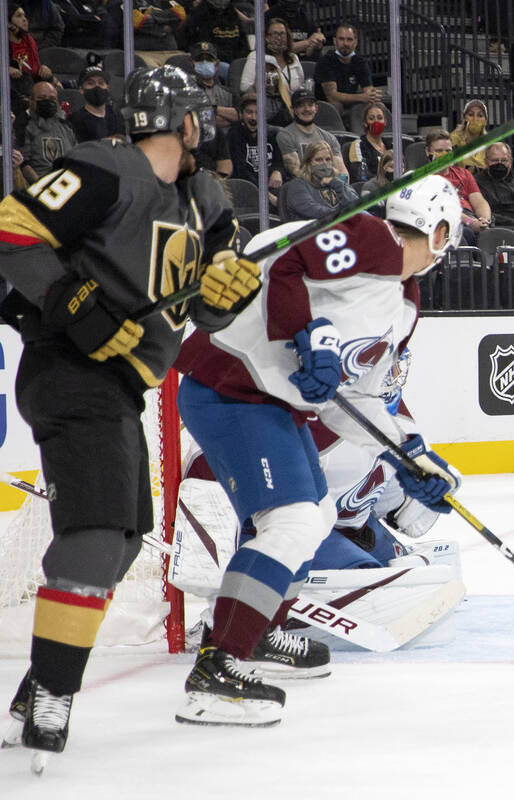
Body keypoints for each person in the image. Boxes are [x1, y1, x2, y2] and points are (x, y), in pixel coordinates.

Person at [0, 65, 260, 761]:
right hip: (68, 370)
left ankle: (35, 688)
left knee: (120, 541)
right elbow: (13, 228)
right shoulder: (105, 170)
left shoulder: (206, 202)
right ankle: (52, 700)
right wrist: (74, 305)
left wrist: (229, 294)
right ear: (189, 122)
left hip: (119, 387)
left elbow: (206, 308)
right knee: (95, 531)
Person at [171, 175, 463, 726]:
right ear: (441, 231)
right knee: (293, 522)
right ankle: (218, 666)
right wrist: (305, 331)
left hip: (270, 404)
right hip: (231, 384)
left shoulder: (403, 306)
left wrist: (411, 455)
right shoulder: (372, 239)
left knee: (316, 514)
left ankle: (259, 634)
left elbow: (351, 402)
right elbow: (285, 256)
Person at [424, 129, 491, 246]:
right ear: (428, 152)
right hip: (446, 223)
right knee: (466, 233)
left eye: (448, 151)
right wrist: (470, 222)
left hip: (472, 219)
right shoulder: (423, 178)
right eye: (439, 151)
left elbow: (479, 202)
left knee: (512, 234)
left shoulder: (464, 174)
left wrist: (484, 220)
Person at [277, 86, 348, 181]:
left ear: (316, 108)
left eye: (310, 105)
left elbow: (341, 171)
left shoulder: (329, 137)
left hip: (330, 187)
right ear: (292, 109)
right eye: (301, 105)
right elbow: (296, 171)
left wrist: (342, 188)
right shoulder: (285, 135)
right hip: (302, 188)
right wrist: (322, 184)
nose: (306, 109)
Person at [313, 22, 379, 124]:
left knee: (377, 107)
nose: (345, 43)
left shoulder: (360, 62)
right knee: (336, 105)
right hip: (326, 106)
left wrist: (372, 95)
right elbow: (332, 96)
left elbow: (369, 91)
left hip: (352, 105)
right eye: (341, 39)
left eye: (349, 39)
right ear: (335, 41)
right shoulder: (325, 61)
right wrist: (362, 97)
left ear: (356, 42)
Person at [226, 94, 284, 207]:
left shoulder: (272, 133)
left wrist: (277, 171)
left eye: (258, 113)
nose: (254, 117)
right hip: (248, 190)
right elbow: (240, 171)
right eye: (249, 112)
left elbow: (279, 161)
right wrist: (265, 194)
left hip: (273, 187)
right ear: (241, 114)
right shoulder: (234, 135)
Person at [281, 140, 358, 221]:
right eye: (319, 160)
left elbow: (356, 205)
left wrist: (336, 183)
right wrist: (341, 215)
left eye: (328, 159)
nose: (324, 163)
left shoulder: (338, 181)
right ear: (308, 162)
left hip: (342, 226)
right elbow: (312, 210)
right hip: (313, 230)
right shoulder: (297, 185)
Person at [20, 81, 76, 181]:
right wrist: (40, 186)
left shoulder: (67, 127)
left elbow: (77, 159)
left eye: (52, 99)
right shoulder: (23, 126)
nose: (48, 102)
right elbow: (23, 163)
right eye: (41, 98)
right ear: (31, 101)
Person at [178, 0, 249, 79]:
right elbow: (199, 45)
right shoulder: (200, 14)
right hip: (210, 61)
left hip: (234, 61)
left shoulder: (232, 13)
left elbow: (243, 44)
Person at [239, 18, 305, 102]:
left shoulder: (293, 57)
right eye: (275, 34)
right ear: (267, 37)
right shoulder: (256, 56)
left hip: (292, 105)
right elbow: (244, 88)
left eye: (282, 34)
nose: (279, 37)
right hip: (265, 103)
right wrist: (258, 84)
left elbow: (301, 85)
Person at [66, 66, 123, 143]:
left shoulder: (117, 116)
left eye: (101, 83)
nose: (97, 87)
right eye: (91, 83)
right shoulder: (74, 121)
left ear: (107, 88)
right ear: (81, 89)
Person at [190, 41, 237, 129]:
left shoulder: (228, 92)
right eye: (200, 59)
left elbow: (239, 116)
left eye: (209, 59)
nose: (204, 62)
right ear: (192, 63)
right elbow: (200, 120)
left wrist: (214, 109)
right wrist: (226, 116)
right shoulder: (186, 91)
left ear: (217, 64)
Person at [346, 101, 389, 184]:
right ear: (365, 123)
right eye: (371, 118)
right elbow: (360, 174)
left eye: (380, 118)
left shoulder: (391, 146)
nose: (376, 122)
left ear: (385, 122)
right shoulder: (358, 145)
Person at [449, 98, 489, 172]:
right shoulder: (454, 140)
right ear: (465, 118)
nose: (475, 119)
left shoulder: (489, 144)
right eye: (471, 115)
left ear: (485, 121)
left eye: (480, 115)